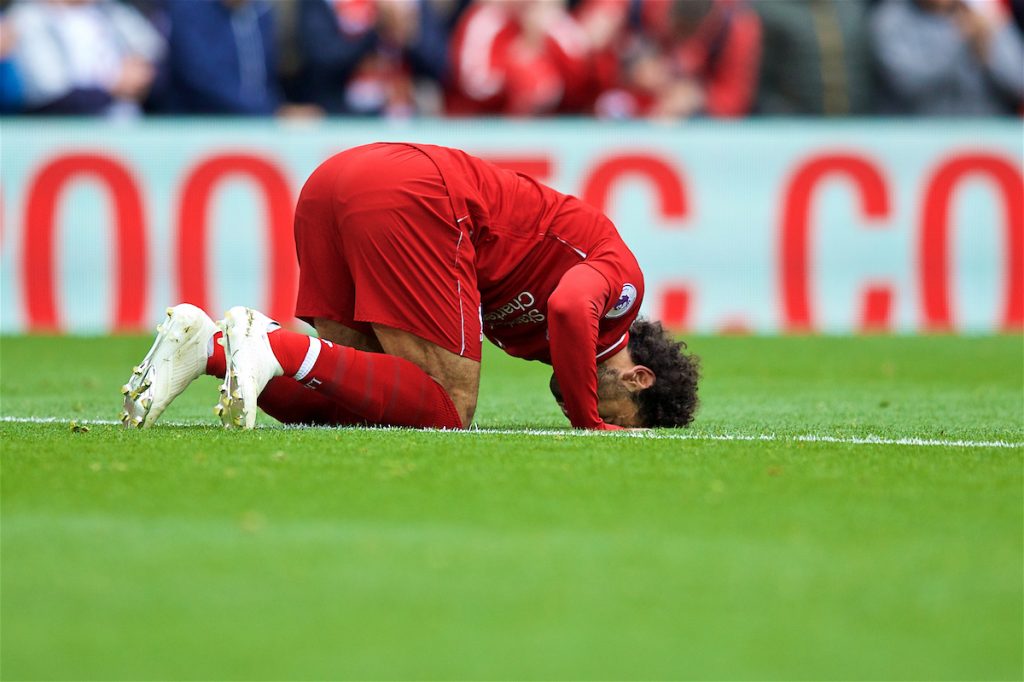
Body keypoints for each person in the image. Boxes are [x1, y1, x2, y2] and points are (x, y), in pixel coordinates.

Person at [121, 143, 700, 431]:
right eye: (623, 417)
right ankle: (271, 342)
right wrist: (590, 423)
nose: (605, 420)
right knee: (450, 405)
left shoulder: (543, 343)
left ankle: (209, 349)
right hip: (415, 194)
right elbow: (572, 306)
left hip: (337, 181)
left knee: (358, 396)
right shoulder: (621, 288)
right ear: (637, 378)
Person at [6, 0, 164, 117]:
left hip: (128, 130)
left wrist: (142, 74)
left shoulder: (110, 10)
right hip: (61, 137)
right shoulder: (27, 16)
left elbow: (155, 52)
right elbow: (50, 93)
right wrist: (113, 85)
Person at [870, 0, 1024, 115]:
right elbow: (908, 84)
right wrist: (960, 39)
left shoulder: (983, 12)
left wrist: (987, 49)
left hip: (988, 140)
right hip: (919, 141)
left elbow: (1018, 83)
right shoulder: (890, 20)